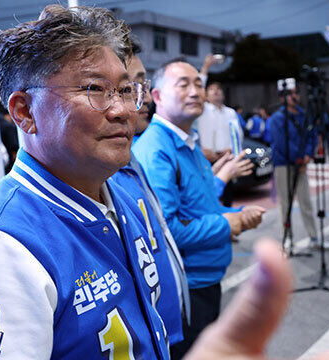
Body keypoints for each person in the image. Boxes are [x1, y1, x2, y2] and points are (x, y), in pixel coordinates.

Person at [0, 6, 172, 358]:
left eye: (127, 89)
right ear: (24, 112)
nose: (122, 109)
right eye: (96, 89)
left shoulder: (117, 196)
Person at [132, 59, 265, 358]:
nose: (195, 91)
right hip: (186, 290)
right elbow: (167, 232)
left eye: (199, 84)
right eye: (183, 84)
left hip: (205, 281)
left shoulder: (188, 143)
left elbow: (200, 205)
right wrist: (231, 223)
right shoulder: (157, 150)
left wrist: (235, 205)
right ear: (157, 96)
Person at [110, 37, 188, 346]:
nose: (143, 101)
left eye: (140, 87)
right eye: (130, 87)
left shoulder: (131, 160)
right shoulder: (103, 175)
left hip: (166, 331)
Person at [267, 84, 329, 253]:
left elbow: (312, 136)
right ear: (282, 97)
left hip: (301, 165)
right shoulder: (277, 118)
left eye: (296, 93)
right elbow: (282, 143)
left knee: (306, 201)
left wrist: (307, 156)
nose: (294, 96)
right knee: (286, 203)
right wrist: (300, 158)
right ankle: (288, 237)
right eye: (290, 94)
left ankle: (313, 237)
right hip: (284, 164)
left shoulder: (304, 114)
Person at [196, 80, 245, 206]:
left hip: (226, 157)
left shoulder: (230, 112)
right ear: (206, 95)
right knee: (209, 193)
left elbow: (238, 134)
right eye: (212, 89)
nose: (216, 91)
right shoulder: (202, 110)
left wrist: (232, 149)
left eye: (219, 88)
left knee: (227, 194)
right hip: (207, 158)